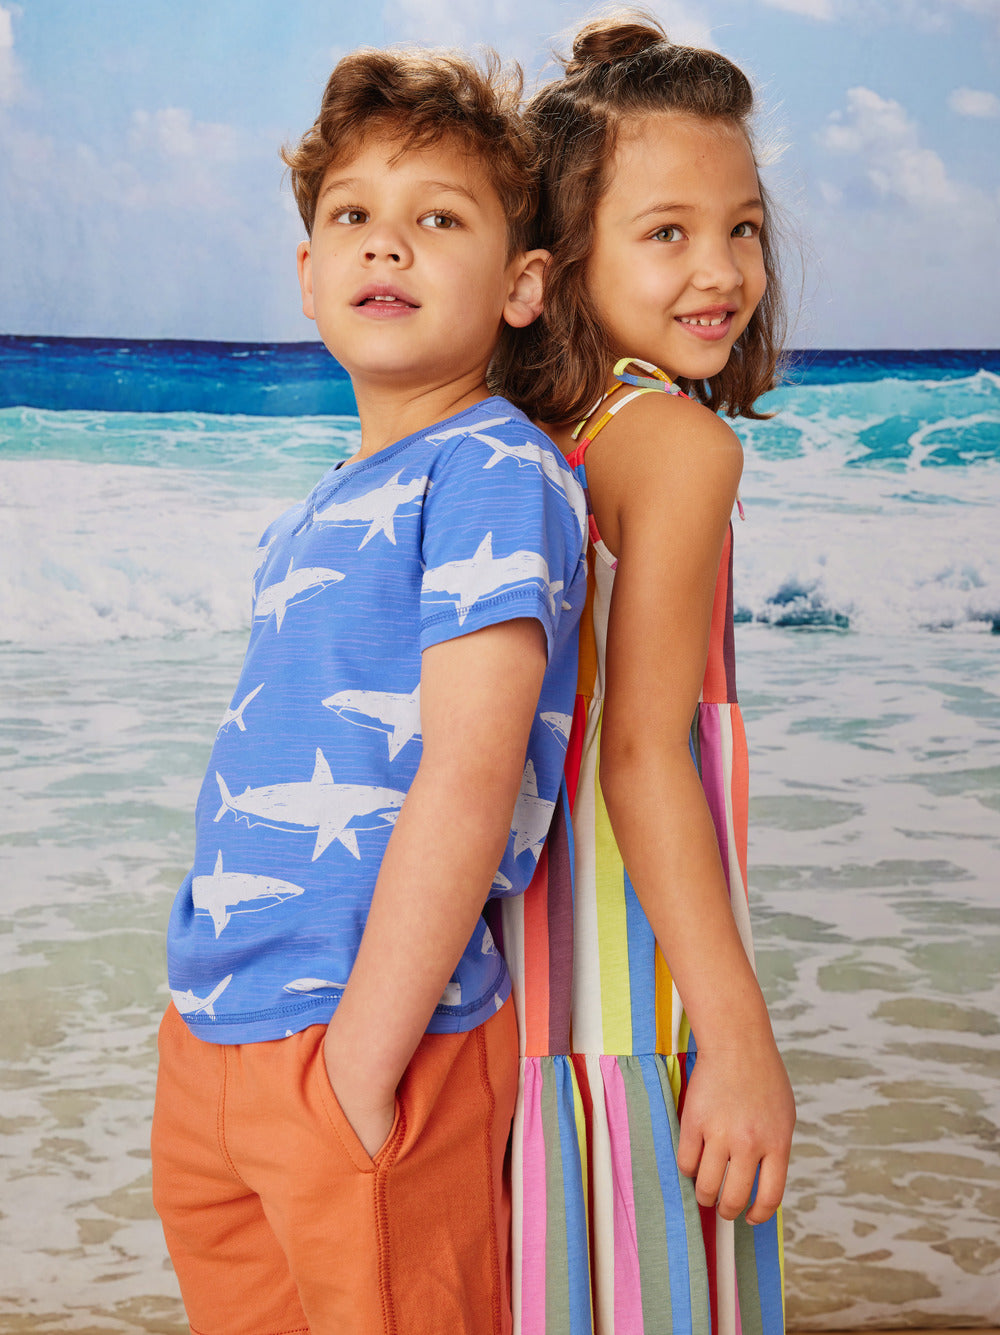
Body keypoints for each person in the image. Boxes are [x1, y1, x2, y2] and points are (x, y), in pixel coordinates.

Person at [150, 45, 587, 1335]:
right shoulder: (318, 506)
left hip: (375, 1045)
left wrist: (362, 1060)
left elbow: (471, 770)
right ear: (309, 274)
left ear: (521, 286)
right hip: (219, 1034)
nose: (386, 244)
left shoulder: (491, 470)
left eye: (437, 219)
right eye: (353, 216)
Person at [490, 15, 797, 1334]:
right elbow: (639, 752)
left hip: (519, 998)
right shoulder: (675, 444)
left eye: (744, 228)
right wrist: (739, 1040)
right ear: (563, 258)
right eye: (667, 232)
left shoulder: (522, 432)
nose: (721, 270)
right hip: (633, 996)